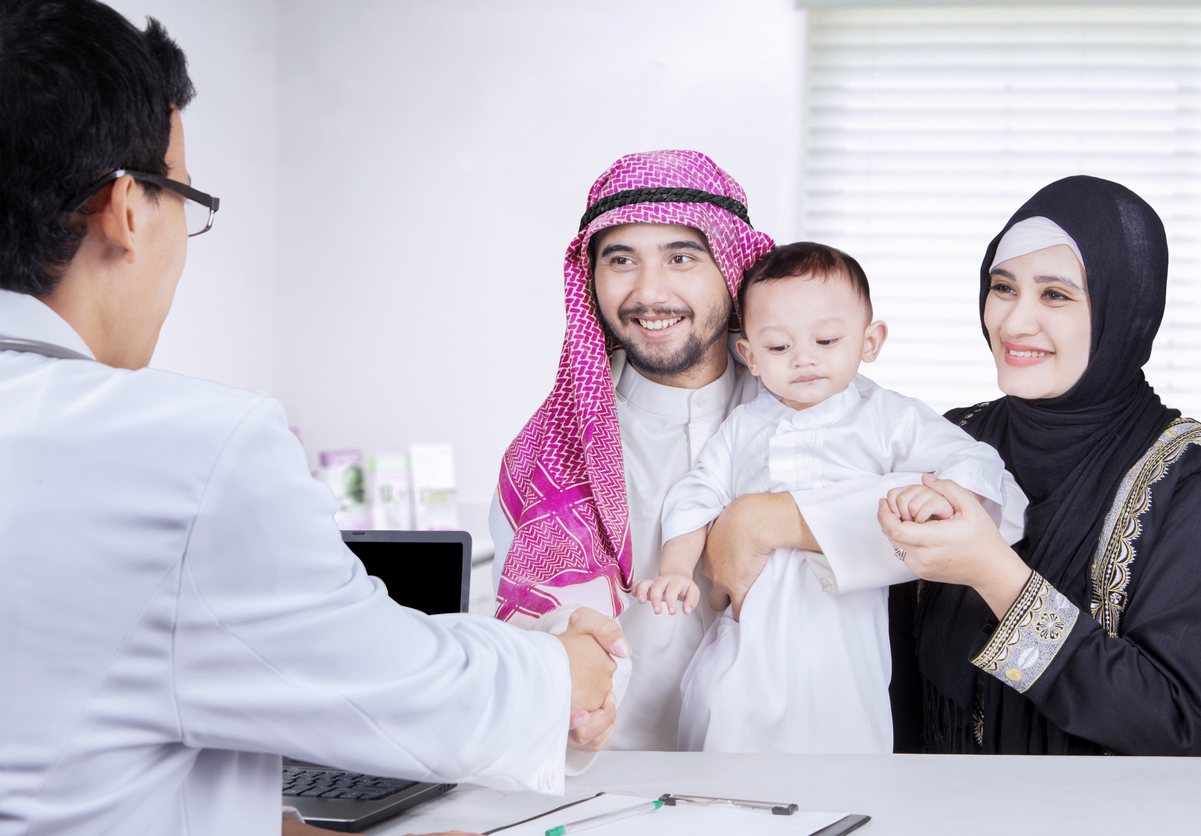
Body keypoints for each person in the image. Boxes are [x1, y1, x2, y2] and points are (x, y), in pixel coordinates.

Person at [0, 3, 622, 835]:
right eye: (181, 197)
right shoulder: (190, 450)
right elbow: (391, 690)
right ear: (127, 208)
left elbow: (71, 757)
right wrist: (560, 671)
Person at [489, 150, 1027, 758]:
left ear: (733, 268)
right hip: (610, 776)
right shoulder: (551, 450)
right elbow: (529, 634)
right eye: (620, 260)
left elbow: (979, 511)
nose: (649, 291)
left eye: (682, 256)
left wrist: (771, 520)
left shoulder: (823, 403)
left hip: (810, 750)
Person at [631, 242, 1017, 754]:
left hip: (840, 634)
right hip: (749, 630)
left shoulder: (888, 416)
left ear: (870, 340)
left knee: (841, 745)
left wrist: (939, 498)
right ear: (749, 355)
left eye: (827, 339)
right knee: (728, 728)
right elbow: (696, 491)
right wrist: (677, 569)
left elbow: (979, 465)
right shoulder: (744, 426)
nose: (805, 359)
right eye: (778, 348)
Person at [879, 175, 1201, 755]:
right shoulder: (951, 439)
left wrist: (995, 574)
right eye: (1003, 288)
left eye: (1055, 295)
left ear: (1125, 309)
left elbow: (1177, 723)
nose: (1013, 322)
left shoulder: (1184, 479)